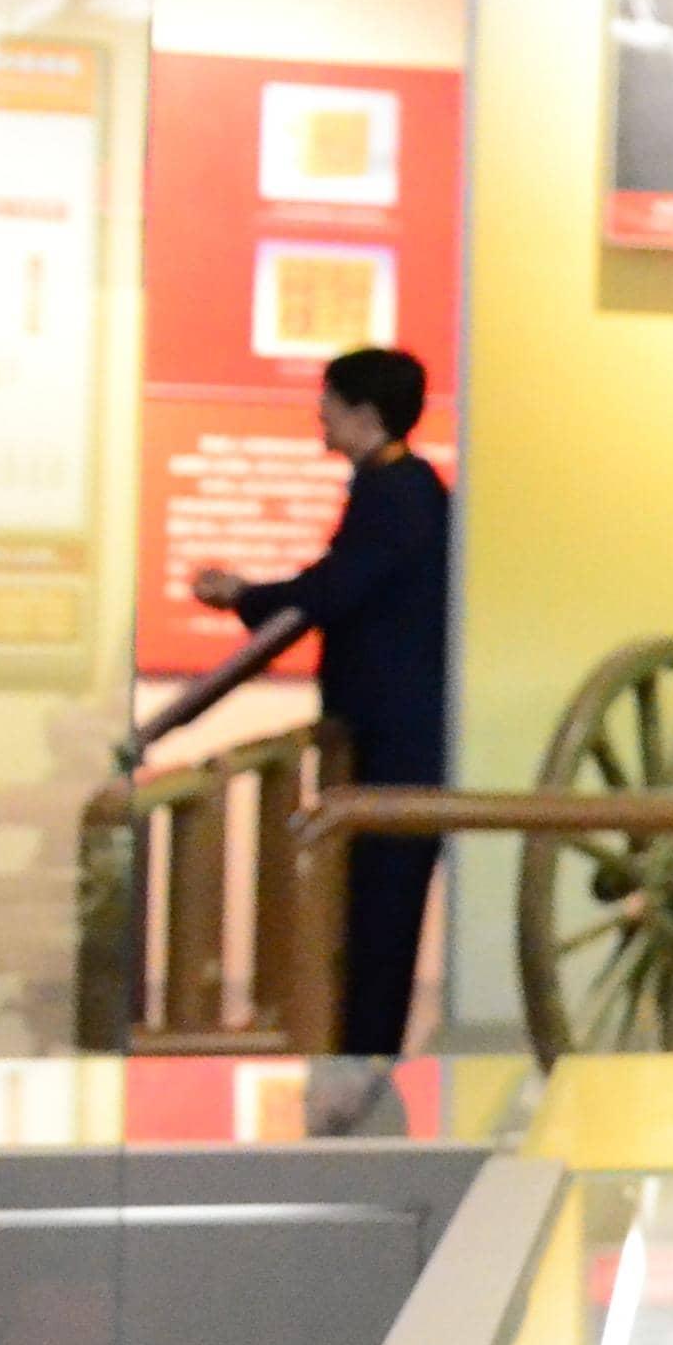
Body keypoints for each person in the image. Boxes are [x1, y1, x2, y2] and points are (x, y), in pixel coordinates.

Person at [191, 346, 451, 1057]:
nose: (320, 414)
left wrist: (244, 595)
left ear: (365, 414)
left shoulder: (398, 493)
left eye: (330, 401)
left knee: (381, 916)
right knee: (368, 914)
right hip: (389, 732)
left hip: (398, 741)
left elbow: (336, 589)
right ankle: (358, 1055)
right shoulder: (400, 486)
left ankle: (363, 1062)